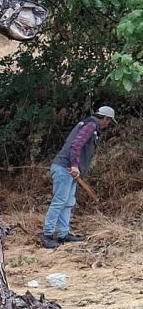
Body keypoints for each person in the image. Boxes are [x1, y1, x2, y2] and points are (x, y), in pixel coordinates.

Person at [41, 105, 116, 249]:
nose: (108, 124)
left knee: (68, 202)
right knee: (59, 201)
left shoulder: (89, 125)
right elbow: (76, 145)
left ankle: (63, 234)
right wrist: (75, 165)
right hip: (65, 168)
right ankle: (47, 235)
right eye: (109, 121)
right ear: (105, 118)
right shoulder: (90, 126)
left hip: (69, 170)